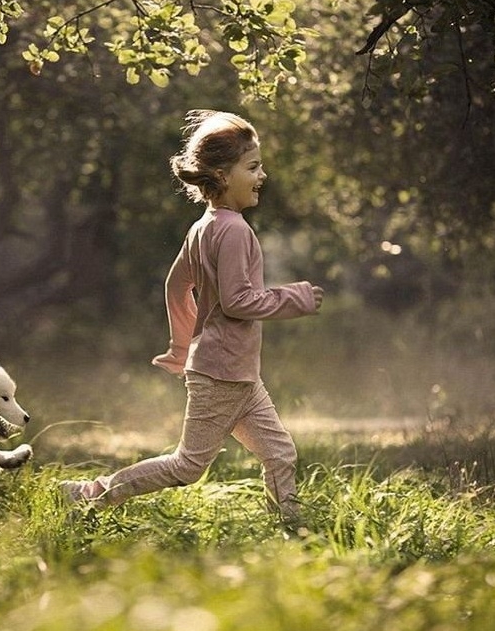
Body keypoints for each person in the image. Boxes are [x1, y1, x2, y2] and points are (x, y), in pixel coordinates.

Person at [60, 110, 324, 526]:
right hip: (222, 373)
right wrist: (296, 298)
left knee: (279, 454)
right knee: (187, 466)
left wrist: (183, 346)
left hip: (233, 371)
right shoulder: (234, 230)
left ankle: (295, 531)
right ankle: (87, 495)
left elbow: (175, 286)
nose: (262, 175)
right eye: (252, 167)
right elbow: (238, 302)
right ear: (220, 175)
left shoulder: (202, 228)